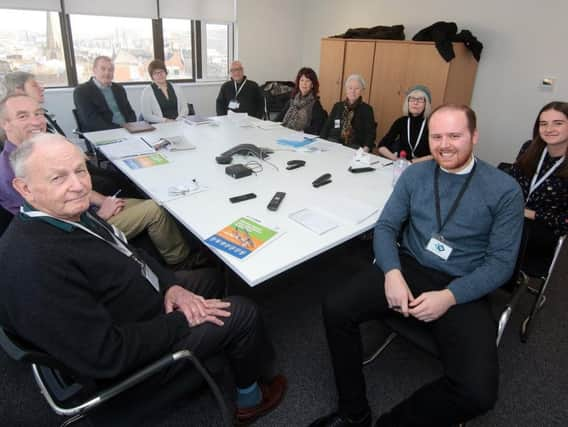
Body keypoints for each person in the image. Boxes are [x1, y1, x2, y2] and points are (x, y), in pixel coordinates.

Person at [0, 134, 286, 425]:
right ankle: (251, 399)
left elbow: (130, 252)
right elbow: (107, 356)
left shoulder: (69, 216)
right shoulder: (35, 264)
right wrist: (182, 321)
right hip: (129, 357)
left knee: (210, 278)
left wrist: (172, 286)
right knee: (243, 312)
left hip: (137, 303)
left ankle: (222, 349)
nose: (78, 185)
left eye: (80, 170)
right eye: (58, 178)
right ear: (25, 189)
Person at [310, 104, 524, 427]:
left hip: (462, 283)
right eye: (437, 136)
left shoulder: (505, 190)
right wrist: (392, 272)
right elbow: (385, 228)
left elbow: (501, 264)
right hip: (409, 266)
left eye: (455, 135)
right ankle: (354, 413)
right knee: (335, 307)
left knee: (478, 393)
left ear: (474, 136)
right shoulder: (415, 174)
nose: (444, 144)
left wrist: (449, 297)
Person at [0, 95, 193, 269]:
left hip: (90, 214)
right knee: (155, 209)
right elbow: (54, 225)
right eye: (23, 116)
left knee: (149, 203)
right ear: (4, 123)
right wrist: (101, 214)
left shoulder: (36, 151)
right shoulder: (14, 172)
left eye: (38, 113)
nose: (36, 121)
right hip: (86, 227)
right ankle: (181, 262)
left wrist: (103, 201)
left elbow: (75, 190)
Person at [2, 71, 139, 197]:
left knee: (119, 175)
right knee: (111, 182)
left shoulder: (44, 117)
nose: (41, 88)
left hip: (74, 163)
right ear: (19, 91)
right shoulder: (16, 155)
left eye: (38, 114)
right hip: (67, 173)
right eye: (35, 85)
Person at [506, 101, 568, 267]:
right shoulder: (529, 148)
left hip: (542, 229)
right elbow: (509, 183)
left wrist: (530, 214)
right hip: (512, 215)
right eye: (543, 124)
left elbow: (564, 221)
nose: (549, 129)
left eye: (558, 123)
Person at [73, 56, 136, 131]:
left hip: (127, 130)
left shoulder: (119, 89)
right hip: (103, 132)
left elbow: (130, 113)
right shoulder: (82, 91)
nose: (107, 73)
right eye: (103, 69)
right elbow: (91, 121)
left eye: (110, 70)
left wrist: (131, 126)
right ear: (94, 70)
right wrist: (119, 129)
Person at [320, 74, 376, 152]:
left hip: (354, 146)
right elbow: (327, 126)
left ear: (362, 90)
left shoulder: (367, 109)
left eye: (357, 88)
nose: (353, 91)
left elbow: (370, 134)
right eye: (350, 88)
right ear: (346, 90)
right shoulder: (338, 106)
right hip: (334, 142)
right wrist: (321, 142)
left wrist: (365, 149)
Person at [378, 85, 434, 162]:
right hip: (403, 165)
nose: (415, 102)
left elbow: (436, 154)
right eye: (412, 99)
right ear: (407, 102)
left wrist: (413, 162)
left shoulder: (432, 124)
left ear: (426, 104)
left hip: (424, 166)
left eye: (420, 100)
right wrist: (397, 160)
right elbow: (381, 146)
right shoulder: (401, 122)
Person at [275, 67, 327, 134]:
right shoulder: (292, 100)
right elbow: (279, 118)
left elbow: (316, 128)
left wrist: (301, 132)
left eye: (307, 81)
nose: (304, 83)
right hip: (284, 132)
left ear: (312, 85)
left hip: (299, 137)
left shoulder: (315, 104)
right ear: (298, 82)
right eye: (302, 80)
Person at [140, 59, 189, 123]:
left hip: (178, 123)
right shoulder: (147, 91)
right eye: (155, 73)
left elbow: (185, 109)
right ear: (152, 76)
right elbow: (147, 115)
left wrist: (177, 121)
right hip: (159, 126)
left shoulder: (176, 88)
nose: (159, 75)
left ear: (166, 72)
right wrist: (166, 121)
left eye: (161, 71)